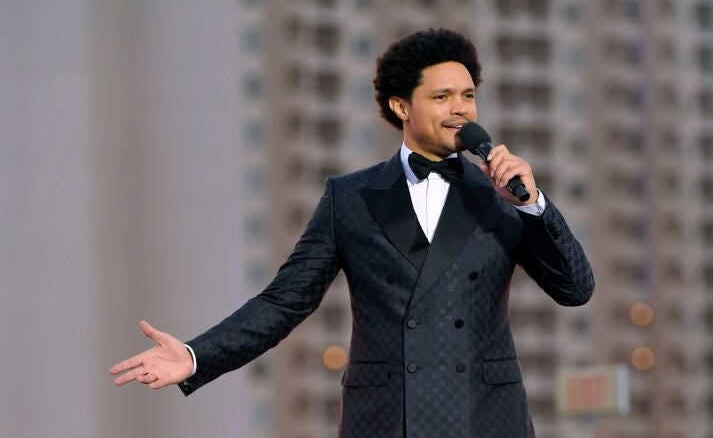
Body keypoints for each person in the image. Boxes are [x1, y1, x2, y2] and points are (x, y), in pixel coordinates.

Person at [109, 28, 594, 438]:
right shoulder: (350, 198)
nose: (461, 109)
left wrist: (533, 204)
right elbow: (285, 301)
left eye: (468, 96)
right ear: (401, 106)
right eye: (441, 96)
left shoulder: (504, 194)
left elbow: (576, 290)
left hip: (485, 418)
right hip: (386, 419)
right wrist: (196, 356)